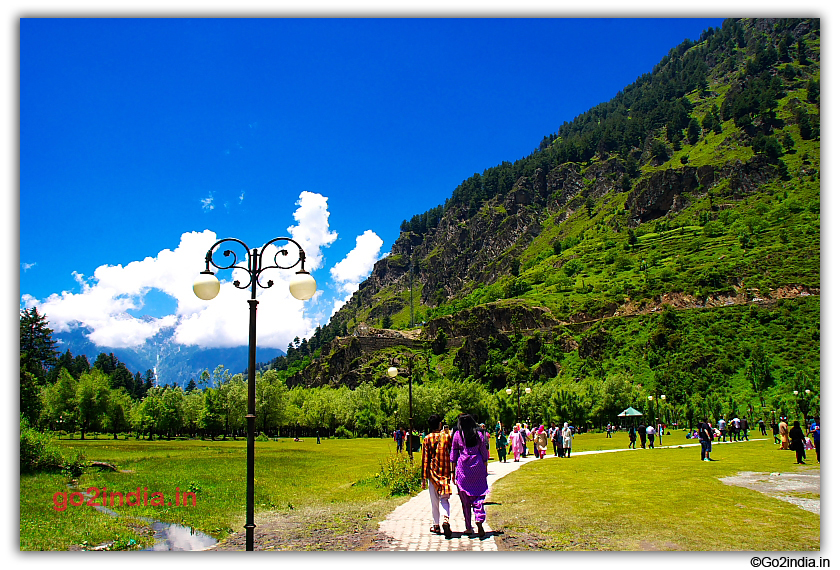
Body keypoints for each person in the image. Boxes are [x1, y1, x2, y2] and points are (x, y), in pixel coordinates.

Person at [450, 413, 490, 538]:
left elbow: (453, 454)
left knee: (465, 499)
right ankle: (479, 518)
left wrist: (452, 472)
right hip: (477, 467)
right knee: (478, 496)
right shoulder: (479, 435)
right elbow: (484, 453)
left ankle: (468, 527)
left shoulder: (457, 435)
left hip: (463, 469)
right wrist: (485, 468)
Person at [421, 414, 453, 538]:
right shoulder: (446, 437)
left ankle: (436, 525)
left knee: (434, 501)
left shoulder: (427, 439)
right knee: (444, 499)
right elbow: (452, 451)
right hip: (444, 472)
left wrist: (424, 477)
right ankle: (446, 519)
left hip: (432, 474)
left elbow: (425, 459)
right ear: (440, 424)